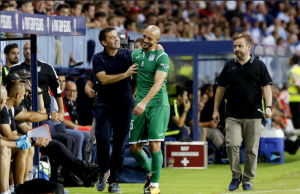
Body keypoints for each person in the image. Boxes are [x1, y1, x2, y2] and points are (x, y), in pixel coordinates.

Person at [213, 34, 273, 191]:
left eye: (239, 46)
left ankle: (247, 181)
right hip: (233, 115)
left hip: (254, 115)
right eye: (235, 46)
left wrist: (269, 107)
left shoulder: (259, 65)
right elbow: (220, 88)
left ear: (249, 47)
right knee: (231, 145)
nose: (236, 49)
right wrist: (215, 110)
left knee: (252, 151)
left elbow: (266, 87)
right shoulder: (229, 65)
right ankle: (235, 176)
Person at [129, 25, 170, 194]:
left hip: (158, 104)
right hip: (139, 104)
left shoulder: (162, 56)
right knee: (134, 147)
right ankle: (149, 174)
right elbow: (132, 78)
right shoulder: (135, 55)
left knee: (154, 145)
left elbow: (158, 83)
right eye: (144, 36)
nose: (145, 40)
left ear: (157, 41)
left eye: (150, 39)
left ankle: (155, 186)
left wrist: (144, 102)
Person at [9, 42, 64, 116]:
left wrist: (61, 110)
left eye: (30, 49)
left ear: (37, 51)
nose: (28, 51)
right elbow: (9, 89)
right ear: (23, 51)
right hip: (23, 110)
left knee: (57, 127)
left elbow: (56, 90)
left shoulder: (47, 68)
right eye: (25, 49)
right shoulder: (15, 69)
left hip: (45, 110)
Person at [288, 54, 300, 129]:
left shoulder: (293, 71)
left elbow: (298, 85)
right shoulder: (298, 69)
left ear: (292, 60)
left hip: (295, 99)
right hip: (297, 99)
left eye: (290, 59)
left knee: (297, 119)